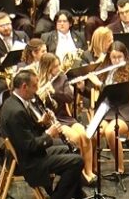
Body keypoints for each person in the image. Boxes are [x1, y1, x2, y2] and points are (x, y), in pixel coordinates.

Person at [0, 69, 84, 199]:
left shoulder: (13, 102)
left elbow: (26, 133)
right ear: (24, 87)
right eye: (34, 86)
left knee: (67, 149)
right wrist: (49, 134)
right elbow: (30, 145)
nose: (36, 90)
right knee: (77, 162)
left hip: (27, 155)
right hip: (29, 162)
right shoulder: (16, 111)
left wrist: (41, 124)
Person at [35, 53, 95, 183]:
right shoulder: (37, 81)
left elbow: (69, 97)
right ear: (47, 68)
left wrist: (54, 93)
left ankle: (88, 171)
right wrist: (43, 92)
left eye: (58, 65)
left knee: (85, 135)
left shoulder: (62, 78)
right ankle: (80, 175)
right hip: (52, 120)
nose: (59, 68)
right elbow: (37, 105)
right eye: (55, 66)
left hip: (64, 116)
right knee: (75, 138)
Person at [85, 41, 129, 175]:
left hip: (123, 110)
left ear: (125, 56)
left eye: (119, 57)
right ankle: (92, 169)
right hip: (105, 110)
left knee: (110, 132)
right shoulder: (103, 71)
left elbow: (118, 92)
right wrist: (82, 87)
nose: (116, 61)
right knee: (93, 132)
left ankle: (120, 168)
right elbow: (94, 94)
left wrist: (100, 84)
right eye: (113, 57)